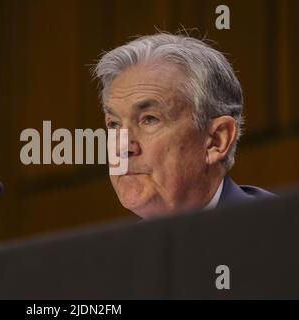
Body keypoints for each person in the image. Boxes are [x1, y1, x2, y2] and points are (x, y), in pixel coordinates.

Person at [93, 33, 274, 219]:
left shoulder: (283, 230)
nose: (121, 148)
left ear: (216, 140)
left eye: (150, 119)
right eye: (114, 124)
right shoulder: (115, 247)